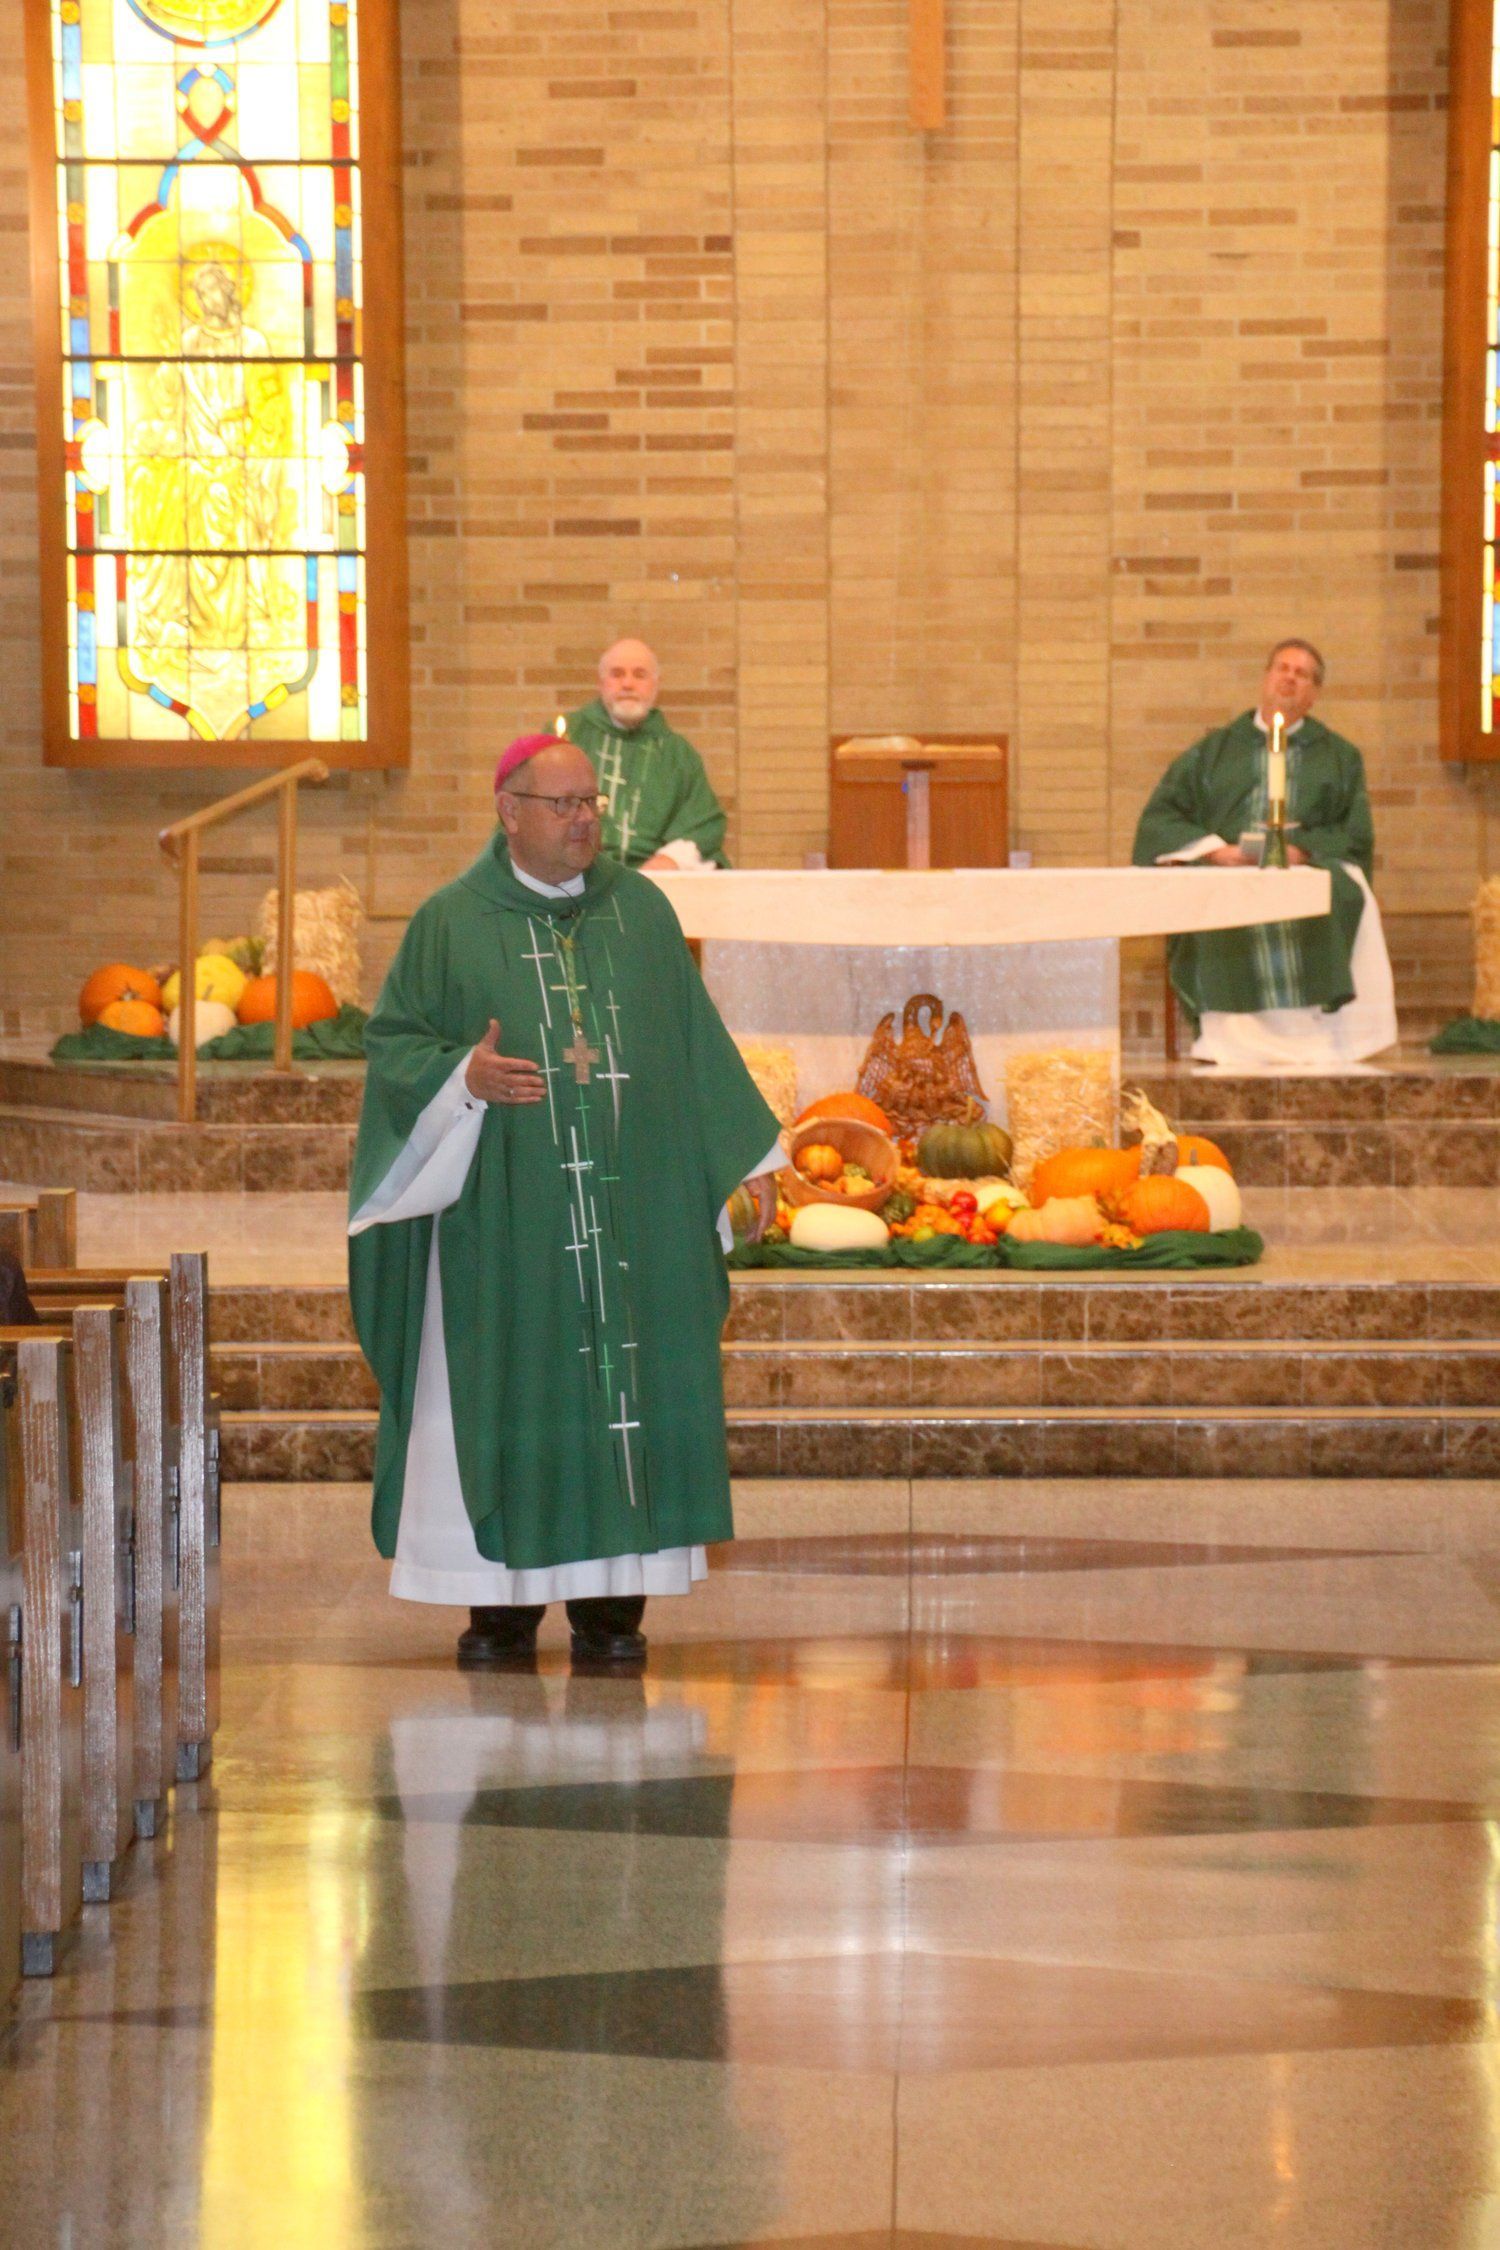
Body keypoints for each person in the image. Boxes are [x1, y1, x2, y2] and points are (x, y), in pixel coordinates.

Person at [347, 732, 783, 1671]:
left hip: (630, 1219)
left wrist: (750, 1158)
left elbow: (694, 1043)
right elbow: (394, 1051)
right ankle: (496, 1613)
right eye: (563, 805)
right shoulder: (449, 922)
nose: (585, 820)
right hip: (502, 1227)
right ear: (510, 812)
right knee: (505, 1388)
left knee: (623, 1399)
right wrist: (462, 1074)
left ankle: (611, 1612)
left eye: (591, 803)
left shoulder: (644, 914)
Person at [1132, 638, 1398, 1068]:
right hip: (1229, 868)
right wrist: (1216, 851)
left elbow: (1354, 832)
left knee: (1340, 892)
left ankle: (1321, 1041)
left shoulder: (1339, 756)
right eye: (1283, 668)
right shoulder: (1213, 752)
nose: (1290, 677)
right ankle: (1231, 1040)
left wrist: (1302, 850)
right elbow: (1160, 819)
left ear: (1314, 693)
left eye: (1303, 674)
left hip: (1306, 866)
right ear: (1266, 678)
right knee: (1216, 897)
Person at [565, 638, 729, 869]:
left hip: (656, 880)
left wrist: (668, 861)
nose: (628, 684)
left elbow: (703, 823)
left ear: (656, 685)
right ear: (601, 683)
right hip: (575, 877)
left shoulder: (678, 754)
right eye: (617, 674)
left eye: (639, 675)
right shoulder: (566, 741)